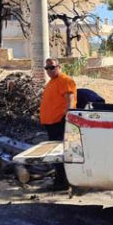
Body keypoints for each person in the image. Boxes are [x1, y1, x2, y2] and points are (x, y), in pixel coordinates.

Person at [39, 58, 76, 190]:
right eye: (47, 68)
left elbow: (69, 100)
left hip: (59, 123)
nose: (49, 70)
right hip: (51, 124)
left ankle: (63, 182)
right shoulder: (52, 82)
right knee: (56, 154)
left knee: (59, 154)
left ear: (59, 67)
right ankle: (60, 180)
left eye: (52, 67)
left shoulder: (64, 80)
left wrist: (67, 117)